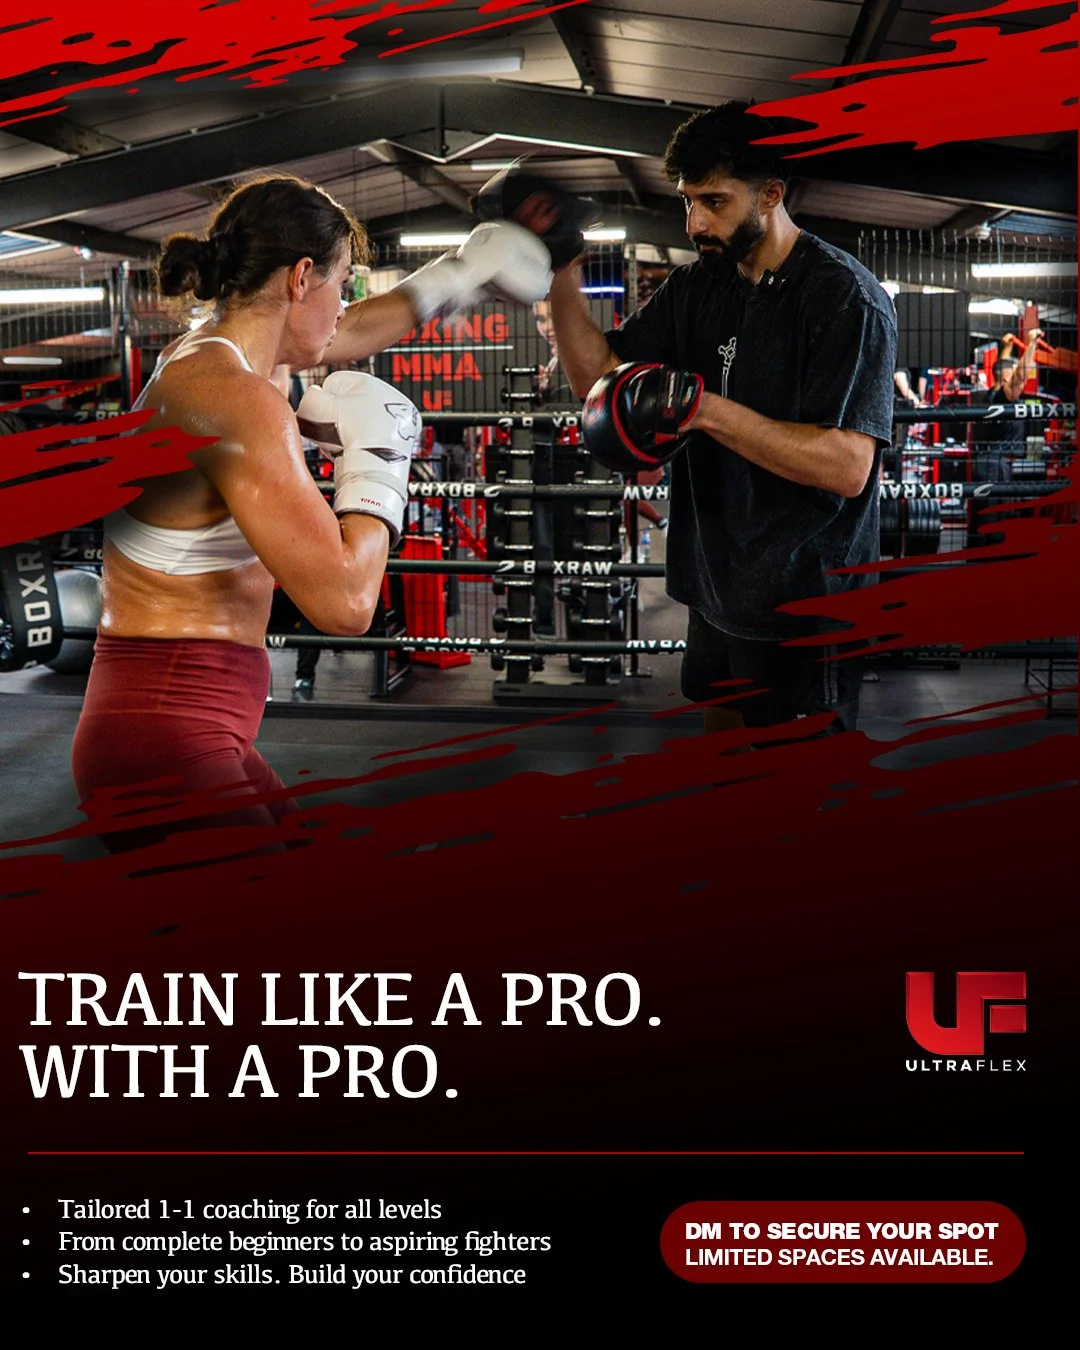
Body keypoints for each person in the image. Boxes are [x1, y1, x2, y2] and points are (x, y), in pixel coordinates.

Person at [71, 174, 551, 850]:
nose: (347, 304)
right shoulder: (236, 397)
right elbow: (348, 603)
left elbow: (344, 331)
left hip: (183, 723)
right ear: (301, 278)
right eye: (344, 282)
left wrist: (460, 272)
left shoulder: (227, 361)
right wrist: (381, 457)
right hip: (166, 735)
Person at [548, 101, 897, 738]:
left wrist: (706, 411)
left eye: (714, 202)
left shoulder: (842, 297)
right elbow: (596, 381)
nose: (694, 222)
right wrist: (560, 272)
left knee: (793, 803)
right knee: (724, 776)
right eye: (687, 202)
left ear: (770, 194)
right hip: (716, 586)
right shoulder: (697, 286)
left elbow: (847, 468)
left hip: (803, 601)